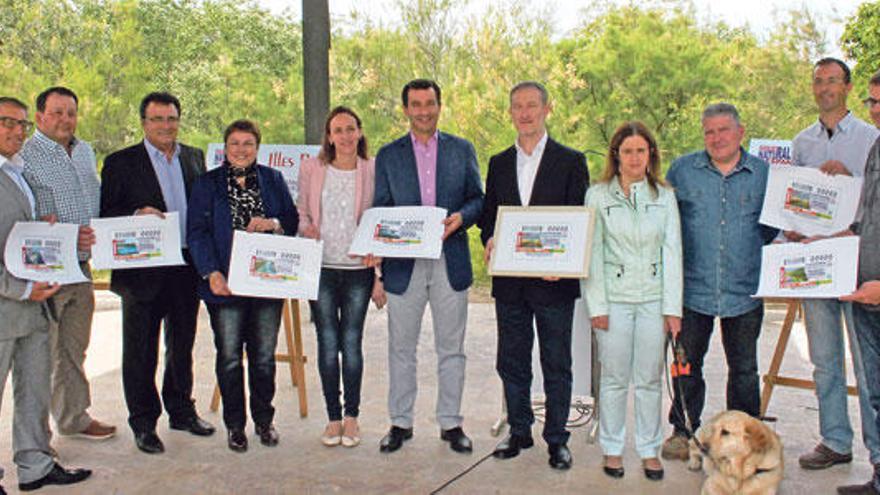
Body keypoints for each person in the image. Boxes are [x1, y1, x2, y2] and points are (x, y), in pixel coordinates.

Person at [478, 81, 588, 470]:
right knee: (512, 360)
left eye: (532, 106)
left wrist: (567, 262)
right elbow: (489, 216)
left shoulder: (571, 161)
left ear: (547, 109)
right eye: (517, 107)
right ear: (510, 113)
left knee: (556, 362)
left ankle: (557, 438)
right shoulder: (498, 162)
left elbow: (578, 221)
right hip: (510, 283)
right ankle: (520, 430)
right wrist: (490, 238)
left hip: (554, 284)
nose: (524, 113)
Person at [371, 79, 484, 454]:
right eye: (416, 104)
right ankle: (400, 423)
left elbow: (478, 200)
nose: (423, 111)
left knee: (451, 348)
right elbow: (381, 207)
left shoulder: (462, 149)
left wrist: (462, 218)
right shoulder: (389, 155)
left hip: (449, 260)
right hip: (404, 265)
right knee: (401, 349)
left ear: (440, 105)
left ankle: (451, 424)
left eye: (430, 103)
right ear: (405, 109)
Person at [660, 103, 778, 461]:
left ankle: (744, 438)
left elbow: (773, 227)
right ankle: (683, 430)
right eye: (709, 131)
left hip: (744, 291)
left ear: (741, 133)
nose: (716, 137)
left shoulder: (764, 174)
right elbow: (666, 223)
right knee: (686, 365)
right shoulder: (682, 170)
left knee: (743, 370)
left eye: (724, 130)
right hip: (693, 290)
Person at [100, 91, 215, 454]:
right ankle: (144, 423)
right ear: (143, 123)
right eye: (157, 119)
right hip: (142, 270)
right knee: (140, 350)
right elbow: (106, 215)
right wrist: (135, 216)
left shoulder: (195, 157)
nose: (166, 126)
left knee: (181, 345)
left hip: (185, 266)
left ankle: (181, 410)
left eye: (171, 118)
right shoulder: (120, 162)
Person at [789, 57, 880, 471]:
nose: (825, 87)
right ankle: (835, 441)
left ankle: (876, 451)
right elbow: (793, 199)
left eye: (833, 81)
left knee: (868, 363)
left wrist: (848, 180)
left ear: (847, 87)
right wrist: (790, 228)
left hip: (859, 262)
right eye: (818, 81)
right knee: (824, 358)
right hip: (815, 262)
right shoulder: (802, 142)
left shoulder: (870, 137)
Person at [188, 119, 298, 452]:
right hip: (225, 286)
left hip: (265, 283)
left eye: (248, 143)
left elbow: (292, 221)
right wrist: (211, 273)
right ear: (225, 148)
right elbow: (196, 232)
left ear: (258, 147)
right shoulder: (207, 183)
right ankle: (235, 426)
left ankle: (264, 422)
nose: (241, 149)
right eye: (234, 143)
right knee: (231, 357)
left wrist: (274, 223)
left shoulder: (273, 178)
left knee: (263, 358)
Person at [0, 96, 91, 492]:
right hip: (9, 303)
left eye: (20, 125)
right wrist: (21, 288)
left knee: (34, 390)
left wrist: (46, 227)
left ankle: (35, 465)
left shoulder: (18, 172)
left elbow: (20, 236)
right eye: (6, 122)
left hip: (37, 307)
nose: (15, 131)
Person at [584, 121, 682, 480]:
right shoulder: (597, 195)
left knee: (649, 380)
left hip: (654, 300)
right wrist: (598, 307)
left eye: (642, 150)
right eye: (628, 151)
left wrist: (672, 309)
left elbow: (673, 252)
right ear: (616, 155)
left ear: (651, 155)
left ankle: (649, 450)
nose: (635, 157)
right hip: (614, 300)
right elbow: (591, 254)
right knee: (612, 379)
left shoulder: (665, 196)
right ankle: (612, 449)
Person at [20, 86, 116, 441]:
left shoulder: (85, 151)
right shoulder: (25, 156)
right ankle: (36, 438)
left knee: (74, 349)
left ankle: (74, 417)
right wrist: (61, 234)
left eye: (71, 112)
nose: (65, 120)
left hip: (82, 267)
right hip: (45, 271)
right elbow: (21, 216)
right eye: (57, 113)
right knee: (41, 356)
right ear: (40, 117)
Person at [298, 106, 385, 448]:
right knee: (326, 342)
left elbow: (380, 221)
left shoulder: (373, 169)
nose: (345, 136)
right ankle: (332, 419)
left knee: (351, 343)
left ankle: (352, 418)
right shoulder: (312, 169)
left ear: (360, 132)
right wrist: (308, 229)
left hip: (358, 271)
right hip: (320, 268)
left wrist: (380, 274)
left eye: (351, 129)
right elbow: (302, 213)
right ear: (329, 136)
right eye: (338, 130)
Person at [837, 131, 880, 495]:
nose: (877, 110)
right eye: (874, 102)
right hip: (864, 292)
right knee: (874, 390)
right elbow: (864, 217)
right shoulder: (877, 147)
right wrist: (830, 240)